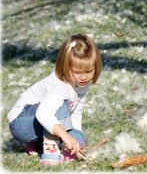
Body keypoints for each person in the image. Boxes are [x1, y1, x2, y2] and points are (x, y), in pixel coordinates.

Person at [7, 34, 102, 165]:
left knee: (79, 137)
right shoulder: (59, 85)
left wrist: (73, 139)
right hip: (21, 123)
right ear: (65, 66)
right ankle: (50, 148)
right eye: (77, 72)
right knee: (62, 106)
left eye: (89, 71)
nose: (84, 77)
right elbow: (43, 113)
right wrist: (64, 136)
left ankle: (37, 143)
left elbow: (75, 114)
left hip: (39, 125)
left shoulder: (83, 86)